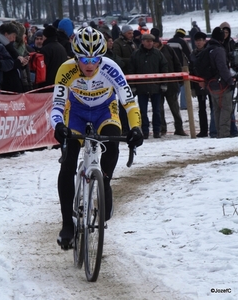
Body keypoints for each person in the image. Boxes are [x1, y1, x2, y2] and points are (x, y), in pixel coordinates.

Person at [50, 26, 143, 249]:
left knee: (112, 143)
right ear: (75, 56)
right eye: (83, 59)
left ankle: (106, 183)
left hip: (105, 110)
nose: (90, 64)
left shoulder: (111, 69)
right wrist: (59, 126)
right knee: (68, 161)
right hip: (77, 113)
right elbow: (57, 106)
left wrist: (136, 128)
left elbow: (129, 103)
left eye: (95, 58)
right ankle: (67, 225)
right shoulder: (66, 70)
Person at [129, 33, 168, 139]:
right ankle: (145, 131)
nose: (150, 43)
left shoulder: (158, 54)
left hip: (155, 87)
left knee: (157, 110)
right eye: (147, 41)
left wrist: (163, 83)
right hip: (141, 87)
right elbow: (131, 70)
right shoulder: (136, 54)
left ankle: (157, 130)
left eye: (151, 41)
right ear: (143, 42)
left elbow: (164, 68)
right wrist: (132, 85)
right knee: (142, 111)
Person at [151, 28, 188, 136]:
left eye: (155, 43)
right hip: (157, 85)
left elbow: (176, 63)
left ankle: (179, 128)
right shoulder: (151, 53)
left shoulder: (168, 49)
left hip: (171, 83)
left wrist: (179, 78)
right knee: (159, 109)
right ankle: (162, 128)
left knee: (175, 108)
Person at [206, 27, 234, 138]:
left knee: (217, 109)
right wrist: (230, 81)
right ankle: (224, 134)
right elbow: (222, 68)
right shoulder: (219, 50)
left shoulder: (208, 48)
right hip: (221, 84)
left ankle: (219, 133)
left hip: (211, 85)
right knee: (226, 109)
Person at [190, 31, 216, 138]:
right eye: (197, 40)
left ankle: (214, 128)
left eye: (200, 40)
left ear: (204, 41)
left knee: (213, 106)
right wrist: (192, 87)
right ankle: (203, 130)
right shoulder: (192, 55)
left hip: (209, 83)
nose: (198, 42)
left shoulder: (209, 52)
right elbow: (191, 71)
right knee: (201, 108)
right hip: (198, 85)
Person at [113, 24, 137, 135]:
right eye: (129, 33)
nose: (131, 35)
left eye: (132, 33)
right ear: (123, 33)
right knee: (123, 103)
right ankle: (124, 127)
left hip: (133, 76)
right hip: (123, 76)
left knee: (131, 104)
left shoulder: (132, 44)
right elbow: (117, 58)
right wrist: (131, 61)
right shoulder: (117, 43)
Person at [220, 21, 238, 137]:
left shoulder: (233, 44)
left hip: (233, 76)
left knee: (231, 104)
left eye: (227, 31)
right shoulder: (218, 44)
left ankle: (233, 128)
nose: (225, 34)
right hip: (222, 78)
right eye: (223, 31)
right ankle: (231, 128)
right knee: (226, 105)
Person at [167, 28, 192, 110]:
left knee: (174, 85)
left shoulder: (169, 42)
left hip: (170, 67)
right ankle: (184, 104)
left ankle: (173, 102)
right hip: (181, 66)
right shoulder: (182, 42)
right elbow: (189, 54)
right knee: (183, 84)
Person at [39, 25, 68, 91]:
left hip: (48, 85)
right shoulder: (61, 47)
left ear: (45, 36)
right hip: (61, 83)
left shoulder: (45, 49)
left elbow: (42, 68)